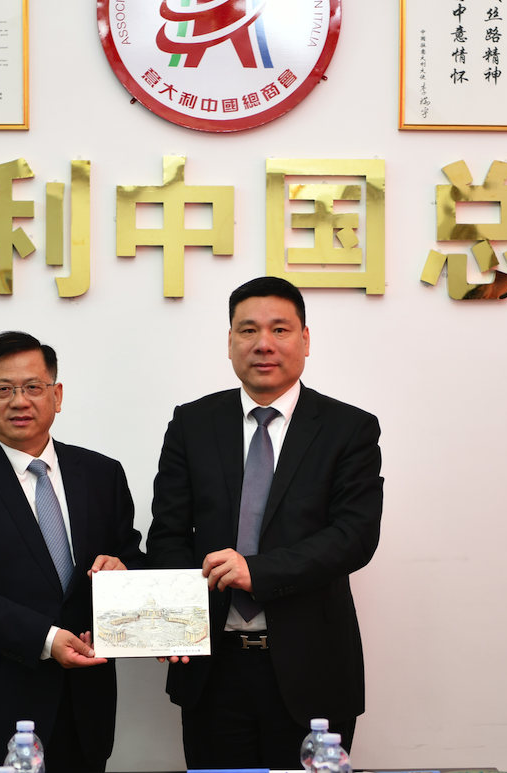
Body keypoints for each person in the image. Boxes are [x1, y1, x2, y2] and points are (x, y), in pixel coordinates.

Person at [147, 276, 384, 769]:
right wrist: (174, 621)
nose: (264, 344)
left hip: (312, 668)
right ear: (230, 341)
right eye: (248, 330)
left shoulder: (349, 429)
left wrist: (256, 571)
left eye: (280, 329)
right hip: (213, 667)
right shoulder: (192, 424)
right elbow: (168, 533)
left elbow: (353, 537)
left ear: (305, 339)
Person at [0, 331, 143, 773]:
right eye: (3, 389)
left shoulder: (102, 473)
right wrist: (46, 638)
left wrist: (123, 570)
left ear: (57, 395)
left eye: (33, 387)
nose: (20, 401)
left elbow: (130, 558)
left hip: (84, 711)